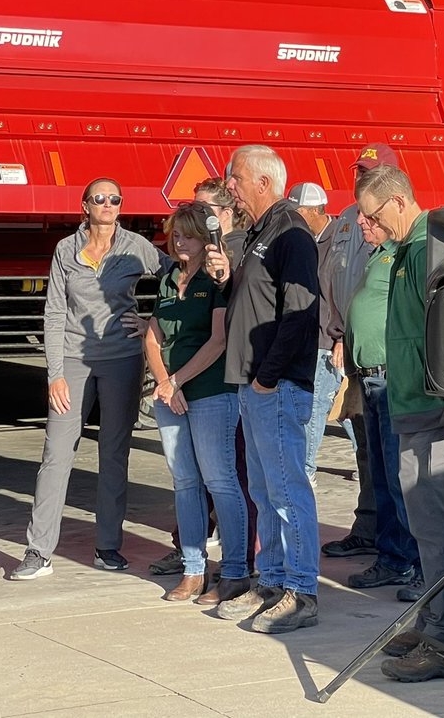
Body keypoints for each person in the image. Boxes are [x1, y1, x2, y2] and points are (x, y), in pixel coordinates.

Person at [12, 178, 171, 580]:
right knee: (56, 454)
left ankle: (107, 546)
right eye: (99, 198)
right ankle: (38, 551)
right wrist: (55, 374)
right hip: (73, 360)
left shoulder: (136, 247)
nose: (108, 203)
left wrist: (153, 323)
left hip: (122, 360)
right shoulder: (65, 249)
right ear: (85, 205)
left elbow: (177, 278)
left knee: (114, 453)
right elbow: (53, 312)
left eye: (115, 198)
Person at [355, 164, 444, 682]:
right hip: (411, 405)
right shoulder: (405, 248)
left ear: (399, 201)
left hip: (432, 409)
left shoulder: (425, 249)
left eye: (373, 216)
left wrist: (438, 393)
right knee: (423, 525)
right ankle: (431, 622)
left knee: (437, 525)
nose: (369, 226)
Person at [204, 145, 320, 634]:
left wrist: (268, 377)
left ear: (264, 182)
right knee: (264, 488)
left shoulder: (290, 232)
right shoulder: (259, 231)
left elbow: (300, 314)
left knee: (287, 489)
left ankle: (302, 591)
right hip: (255, 383)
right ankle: (271, 580)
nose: (229, 186)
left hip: (276, 383)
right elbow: (255, 299)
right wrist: (226, 278)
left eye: (236, 178)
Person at [150, 177, 258, 578]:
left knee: (220, 480)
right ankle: (193, 568)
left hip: (211, 392)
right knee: (184, 482)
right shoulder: (168, 280)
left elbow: (219, 340)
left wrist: (175, 381)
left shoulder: (216, 280)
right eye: (176, 236)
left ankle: (234, 569)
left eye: (189, 236)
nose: (181, 242)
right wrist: (165, 382)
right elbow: (152, 336)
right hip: (171, 395)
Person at [320, 142, 402, 559]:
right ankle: (369, 528)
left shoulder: (395, 229)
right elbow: (329, 278)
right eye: (359, 171)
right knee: (367, 450)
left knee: (387, 454)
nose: (361, 178)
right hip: (353, 353)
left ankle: (391, 542)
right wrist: (338, 332)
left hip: (383, 359)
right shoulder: (345, 221)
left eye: (371, 172)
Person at [340, 203, 420, 596]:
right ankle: (392, 559)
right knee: (383, 476)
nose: (360, 222)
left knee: (399, 476)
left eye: (368, 216)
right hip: (370, 378)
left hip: (391, 378)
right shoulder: (378, 254)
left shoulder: (405, 252)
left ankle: (416, 562)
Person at [287, 182, 345, 487]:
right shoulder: (304, 240)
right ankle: (370, 460)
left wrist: (341, 337)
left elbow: (345, 290)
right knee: (344, 409)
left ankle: (305, 472)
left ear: (313, 211)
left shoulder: (339, 241)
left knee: (316, 406)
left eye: (296, 211)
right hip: (309, 336)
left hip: (327, 337)